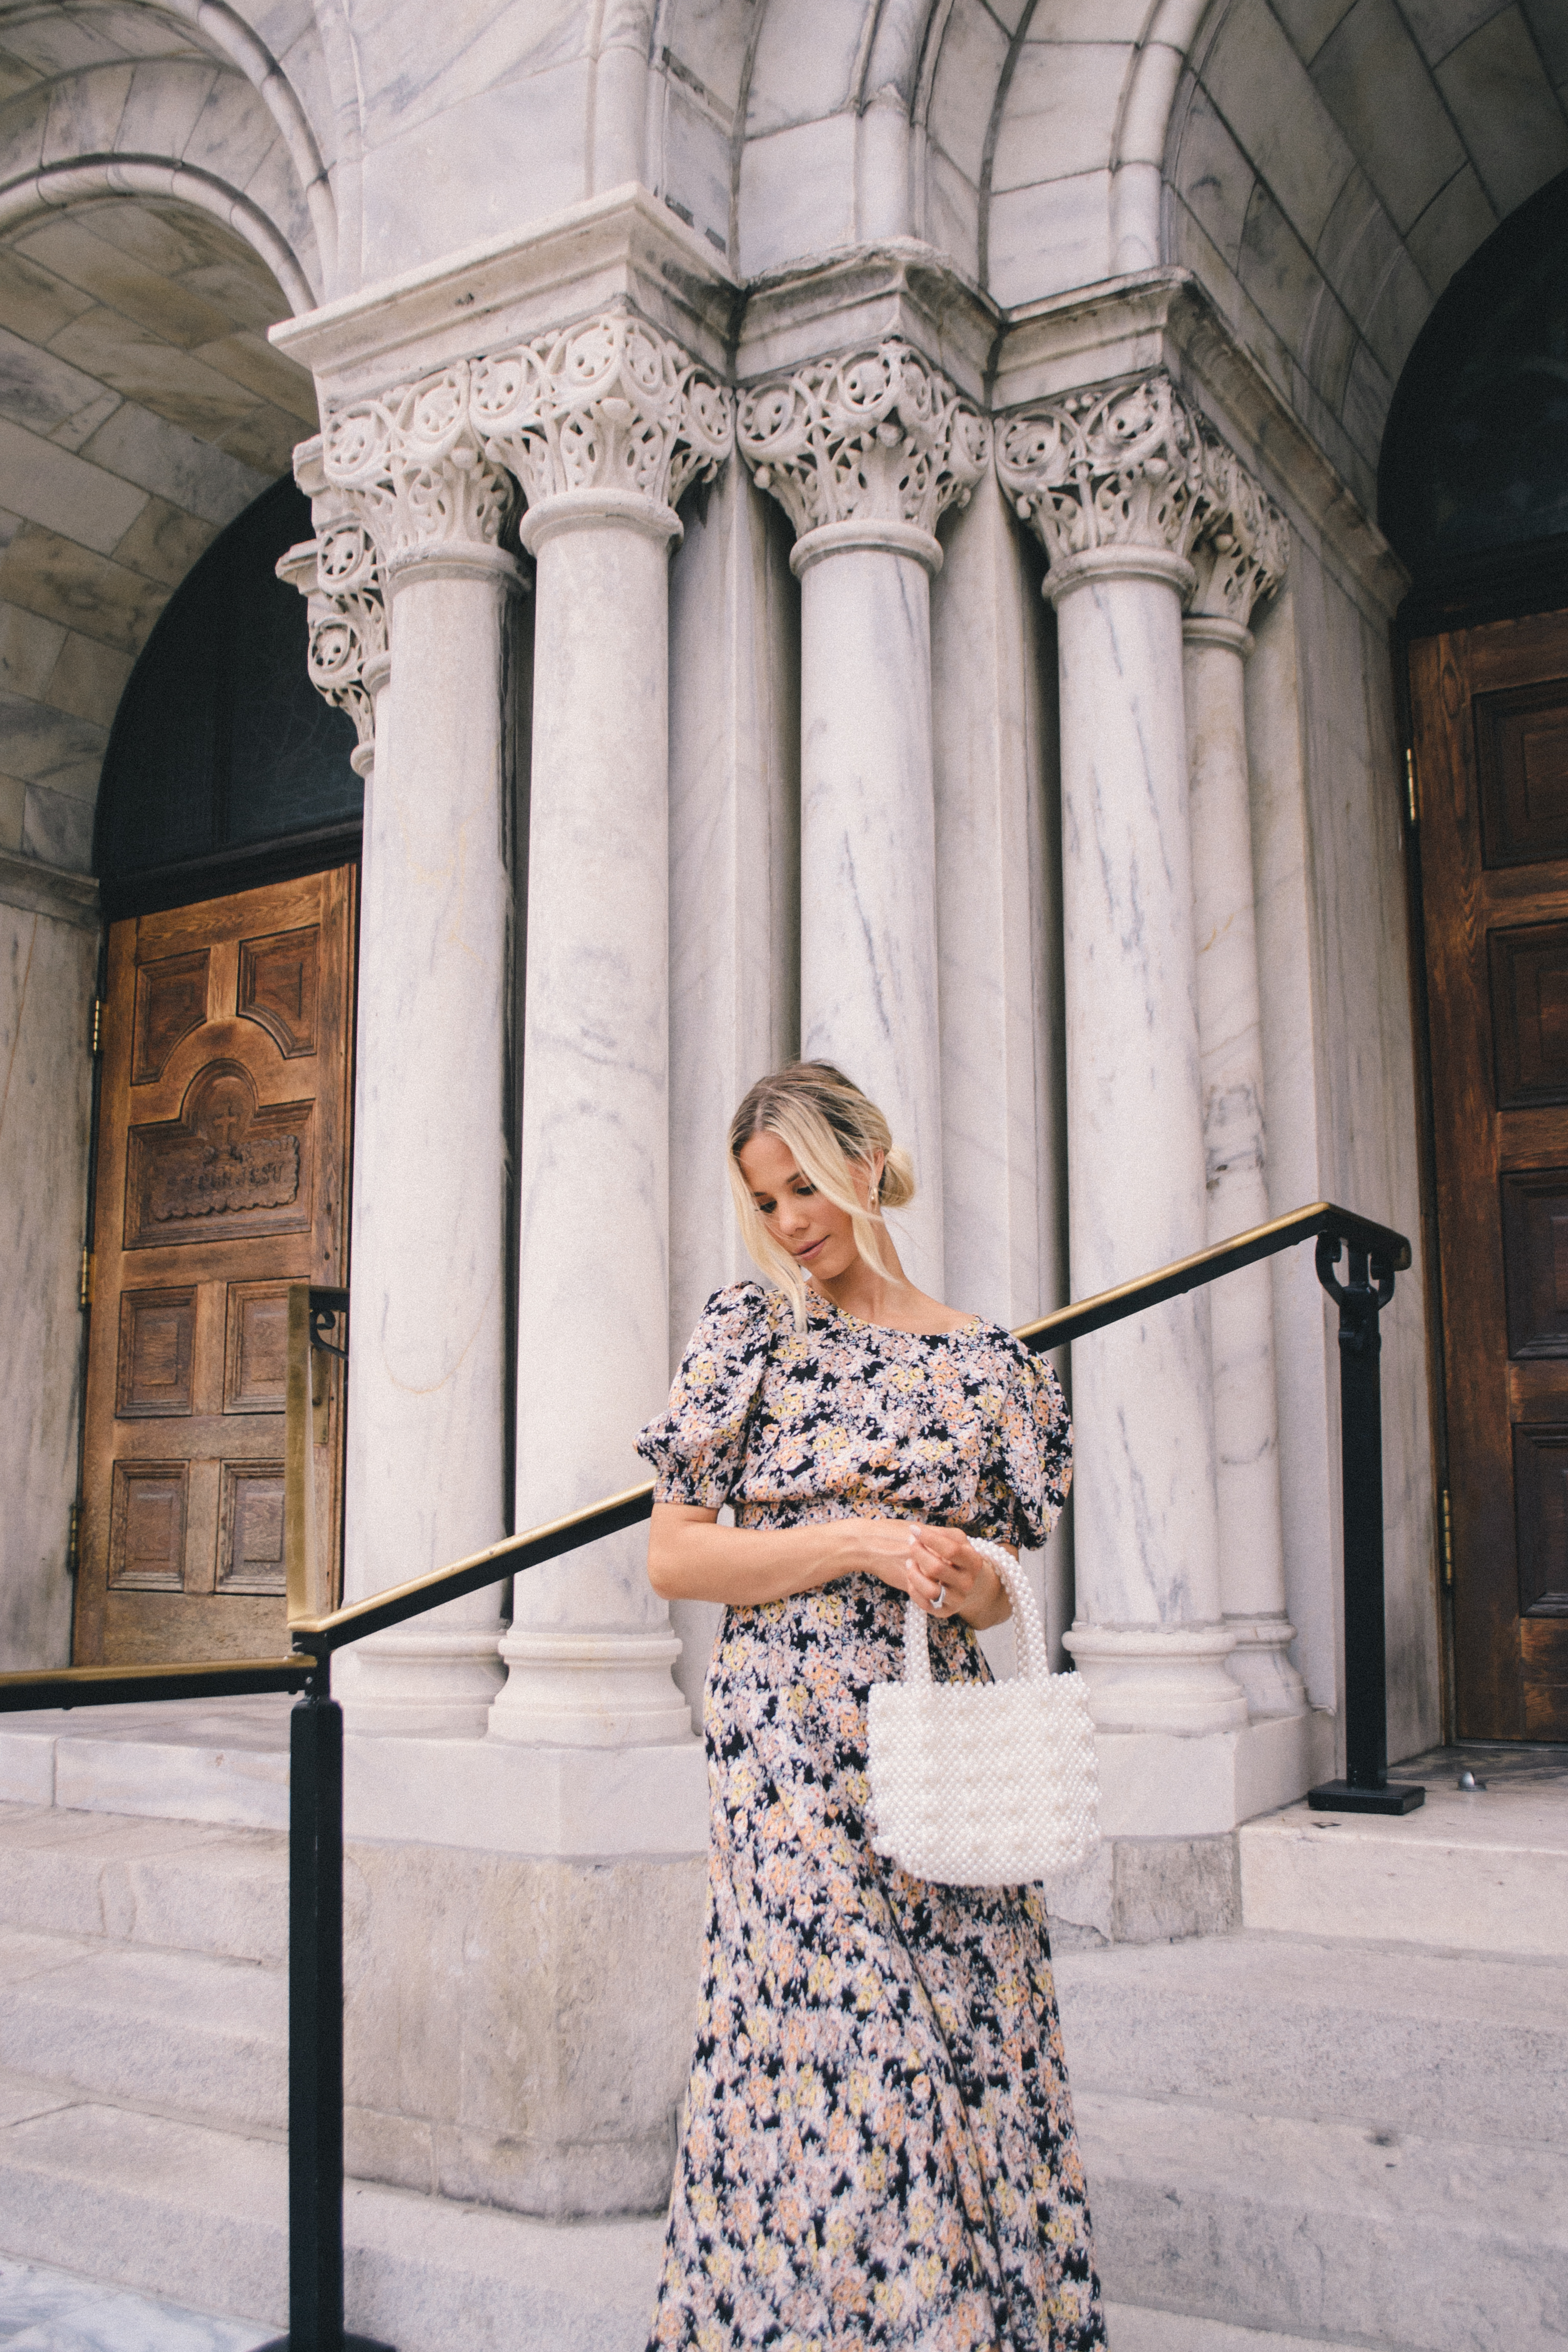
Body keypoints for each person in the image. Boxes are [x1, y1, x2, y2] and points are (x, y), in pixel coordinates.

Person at [636, 1060, 1106, 2351]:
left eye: (804, 1187)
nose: (791, 1222)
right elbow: (678, 1557)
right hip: (785, 1752)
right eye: (765, 1198)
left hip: (931, 1736)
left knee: (962, 2035)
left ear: (867, 1160)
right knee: (843, 2064)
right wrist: (851, 1539)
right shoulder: (755, 1332)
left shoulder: (988, 1362)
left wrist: (966, 1584)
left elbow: (1009, 1592)